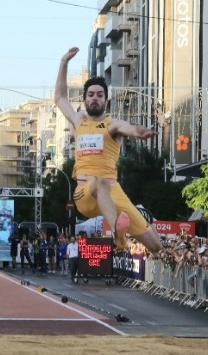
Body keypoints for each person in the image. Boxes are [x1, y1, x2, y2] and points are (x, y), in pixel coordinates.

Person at [54, 47, 162, 253]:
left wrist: (143, 132)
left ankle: (122, 236)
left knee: (156, 245)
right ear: (85, 99)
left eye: (100, 95)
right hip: (85, 192)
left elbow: (131, 129)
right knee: (100, 182)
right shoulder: (78, 121)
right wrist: (64, 62)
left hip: (113, 192)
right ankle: (118, 235)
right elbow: (60, 98)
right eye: (91, 95)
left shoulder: (113, 125)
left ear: (106, 101)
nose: (95, 98)